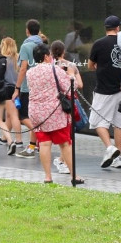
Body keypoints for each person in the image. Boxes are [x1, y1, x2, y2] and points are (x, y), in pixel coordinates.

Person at [24, 41, 85, 185]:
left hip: (36, 113)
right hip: (55, 113)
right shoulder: (55, 70)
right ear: (46, 56)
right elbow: (72, 86)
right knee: (64, 144)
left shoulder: (30, 72)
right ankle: (74, 176)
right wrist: (71, 74)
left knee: (44, 144)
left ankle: (47, 177)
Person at [88, 15, 121, 169]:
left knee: (97, 121)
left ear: (105, 28)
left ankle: (110, 147)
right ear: (117, 28)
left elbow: (90, 65)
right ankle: (118, 159)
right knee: (119, 124)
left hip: (104, 89)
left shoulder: (99, 44)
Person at [12, 19, 45, 158]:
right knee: (35, 117)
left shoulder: (26, 47)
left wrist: (17, 88)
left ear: (27, 31)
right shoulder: (43, 44)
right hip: (42, 85)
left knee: (23, 116)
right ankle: (32, 146)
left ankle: (41, 137)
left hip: (27, 86)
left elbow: (23, 68)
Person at [0, 37, 23, 155]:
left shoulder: (3, 59)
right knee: (9, 114)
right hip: (17, 88)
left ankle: (18, 140)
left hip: (7, 88)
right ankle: (5, 136)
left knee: (13, 115)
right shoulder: (18, 58)